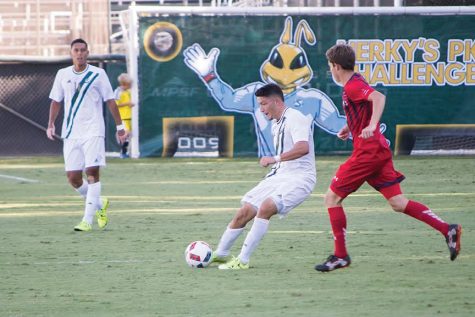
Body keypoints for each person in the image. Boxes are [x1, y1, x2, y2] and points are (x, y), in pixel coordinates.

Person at [315, 44, 462, 272]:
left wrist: (372, 125)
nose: (330, 71)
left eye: (330, 66)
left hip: (368, 152)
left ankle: (340, 256)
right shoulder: (355, 81)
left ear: (336, 66)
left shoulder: (353, 85)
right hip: (378, 150)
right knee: (398, 203)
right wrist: (350, 127)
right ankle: (448, 229)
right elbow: (363, 107)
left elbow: (378, 98)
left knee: (331, 198)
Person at [211, 83, 316, 270]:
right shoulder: (276, 123)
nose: (261, 109)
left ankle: (242, 260)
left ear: (276, 101)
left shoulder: (296, 118)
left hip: (300, 178)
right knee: (245, 211)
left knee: (266, 207)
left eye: (264, 104)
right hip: (280, 175)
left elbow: (303, 147)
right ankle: (221, 254)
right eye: (259, 104)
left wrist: (274, 159)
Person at [47, 38, 127, 232]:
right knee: (74, 178)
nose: (80, 53)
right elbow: (56, 101)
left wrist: (120, 127)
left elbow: (110, 101)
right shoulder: (62, 74)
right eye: (76, 50)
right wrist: (50, 124)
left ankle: (87, 220)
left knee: (92, 173)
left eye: (83, 50)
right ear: (71, 53)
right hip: (71, 133)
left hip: (94, 131)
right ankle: (100, 203)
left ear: (88, 52)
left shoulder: (98, 74)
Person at [114, 73, 134, 158]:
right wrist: (127, 103)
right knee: (126, 133)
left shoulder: (129, 91)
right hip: (123, 117)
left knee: (129, 134)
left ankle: (125, 151)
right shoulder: (118, 92)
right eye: (129, 85)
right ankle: (123, 152)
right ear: (123, 84)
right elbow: (115, 104)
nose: (130, 86)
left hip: (130, 116)